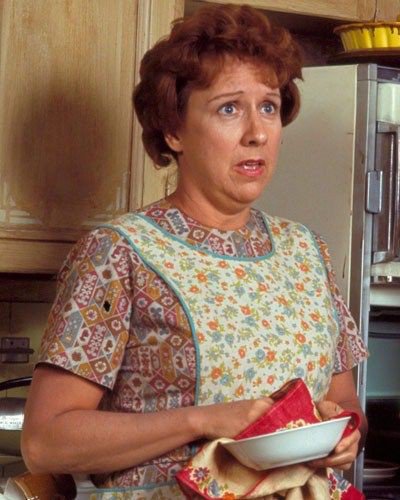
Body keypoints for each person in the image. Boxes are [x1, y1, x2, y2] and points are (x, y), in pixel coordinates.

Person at [21, 3, 368, 499]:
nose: (257, 133)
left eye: (268, 107)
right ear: (174, 130)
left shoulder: (306, 251)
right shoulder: (119, 253)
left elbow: (344, 401)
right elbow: (45, 442)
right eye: (229, 108)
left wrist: (344, 432)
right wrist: (201, 420)